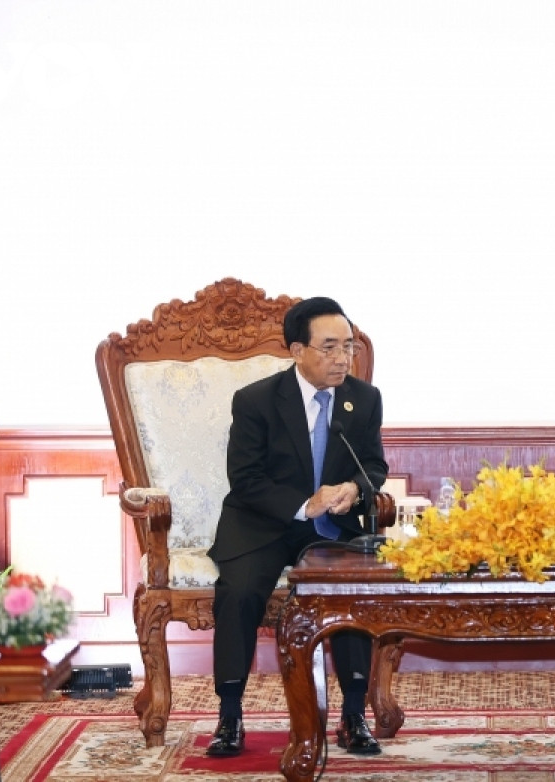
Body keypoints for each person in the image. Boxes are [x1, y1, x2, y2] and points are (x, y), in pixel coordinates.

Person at [205, 296, 388, 758]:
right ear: (296, 351)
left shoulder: (363, 399)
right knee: (240, 590)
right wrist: (304, 504)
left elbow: (374, 466)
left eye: (348, 347)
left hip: (331, 528)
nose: (342, 358)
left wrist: (352, 487)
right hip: (263, 524)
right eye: (328, 347)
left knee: (348, 593)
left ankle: (352, 717)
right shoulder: (256, 401)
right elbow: (244, 480)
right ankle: (229, 715)